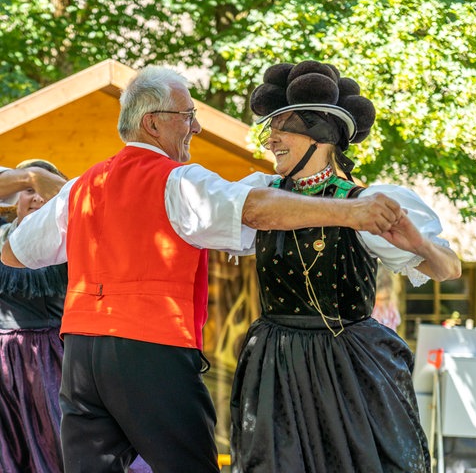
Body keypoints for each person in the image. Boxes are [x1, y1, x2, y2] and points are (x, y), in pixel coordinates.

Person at [2, 65, 405, 473]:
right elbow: (256, 210)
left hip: (81, 356)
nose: (195, 127)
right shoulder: (179, 181)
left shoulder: (81, 187)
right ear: (153, 123)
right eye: (188, 116)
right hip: (150, 350)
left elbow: (15, 253)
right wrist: (350, 210)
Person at [228, 60, 462, 473]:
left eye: (282, 128)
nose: (271, 141)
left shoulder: (369, 201)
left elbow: (449, 270)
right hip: (275, 365)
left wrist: (419, 243)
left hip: (347, 366)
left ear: (320, 137)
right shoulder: (260, 196)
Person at [0, 159, 68, 473]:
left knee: (57, 447)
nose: (38, 197)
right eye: (28, 190)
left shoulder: (70, 243)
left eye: (45, 190)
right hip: (3, 361)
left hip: (52, 359)